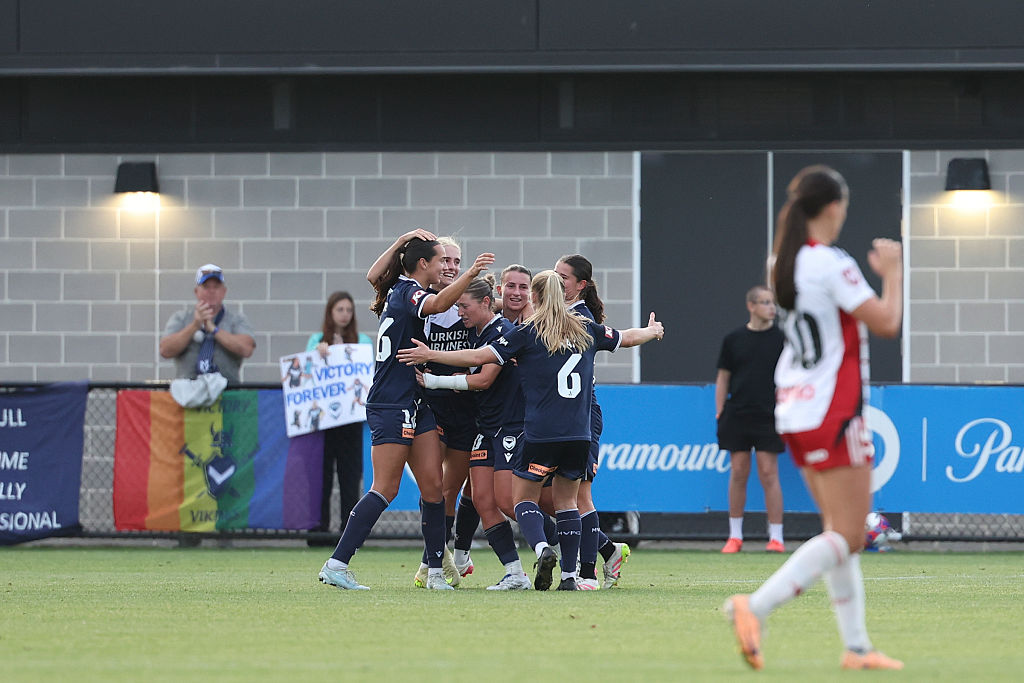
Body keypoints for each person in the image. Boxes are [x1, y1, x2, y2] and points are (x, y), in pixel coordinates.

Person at [724, 165, 904, 671]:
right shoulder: (829, 262)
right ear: (833, 207)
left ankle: (857, 648)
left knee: (837, 531)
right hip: (833, 408)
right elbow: (887, 323)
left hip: (797, 406)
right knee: (849, 535)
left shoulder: (783, 260)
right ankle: (754, 606)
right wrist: (893, 271)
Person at [397, 270, 664, 591]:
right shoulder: (585, 329)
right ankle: (571, 577)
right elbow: (626, 337)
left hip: (539, 431)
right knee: (569, 502)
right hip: (579, 432)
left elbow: (481, 358)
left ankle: (543, 551)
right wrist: (651, 331)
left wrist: (431, 356)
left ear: (535, 298)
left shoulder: (528, 333)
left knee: (520, 500)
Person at [317, 233, 493, 591]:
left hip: (416, 400)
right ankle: (336, 563)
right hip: (390, 402)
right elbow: (439, 304)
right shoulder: (408, 291)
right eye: (442, 260)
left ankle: (433, 572)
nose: (447, 265)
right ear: (424, 264)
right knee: (385, 488)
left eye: (452, 261)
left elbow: (373, 275)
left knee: (434, 488)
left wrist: (404, 238)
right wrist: (471, 271)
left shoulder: (399, 285)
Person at [416, 276, 532, 590]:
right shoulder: (478, 332)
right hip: (486, 428)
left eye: (463, 306)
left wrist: (434, 380)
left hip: (510, 427)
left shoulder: (502, 332)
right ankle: (515, 573)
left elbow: (483, 380)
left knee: (510, 502)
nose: (459, 312)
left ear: (484, 303)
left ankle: (571, 551)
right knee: (482, 499)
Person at [555, 254, 631, 590]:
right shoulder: (559, 313)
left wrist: (650, 331)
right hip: (557, 417)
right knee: (554, 499)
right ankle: (607, 548)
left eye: (564, 278)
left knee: (579, 496)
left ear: (581, 285)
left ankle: (587, 572)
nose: (557, 282)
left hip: (582, 415)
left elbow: (622, 338)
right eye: (554, 275)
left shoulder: (581, 319)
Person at [715, 285, 786, 554]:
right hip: (737, 414)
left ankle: (776, 537)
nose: (771, 308)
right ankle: (735, 537)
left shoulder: (783, 338)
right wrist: (720, 410)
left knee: (769, 472)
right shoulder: (734, 339)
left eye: (772, 303)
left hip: (770, 415)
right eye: (765, 302)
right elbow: (723, 377)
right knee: (739, 472)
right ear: (752, 306)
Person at [306, 291, 373, 545]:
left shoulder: (363, 341)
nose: (344, 315)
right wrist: (319, 354)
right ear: (330, 313)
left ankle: (349, 531)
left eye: (348, 310)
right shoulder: (316, 340)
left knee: (350, 477)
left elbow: (367, 373)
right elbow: (305, 377)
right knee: (322, 477)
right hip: (323, 423)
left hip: (351, 421)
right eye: (339, 310)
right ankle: (319, 530)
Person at [159, 264, 256, 383]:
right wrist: (195, 326)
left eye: (216, 287)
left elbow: (246, 349)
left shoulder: (236, 319)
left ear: (224, 292)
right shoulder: (181, 318)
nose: (211, 291)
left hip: (227, 393)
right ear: (196, 291)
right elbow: (165, 350)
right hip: (188, 393)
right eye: (206, 287)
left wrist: (214, 330)